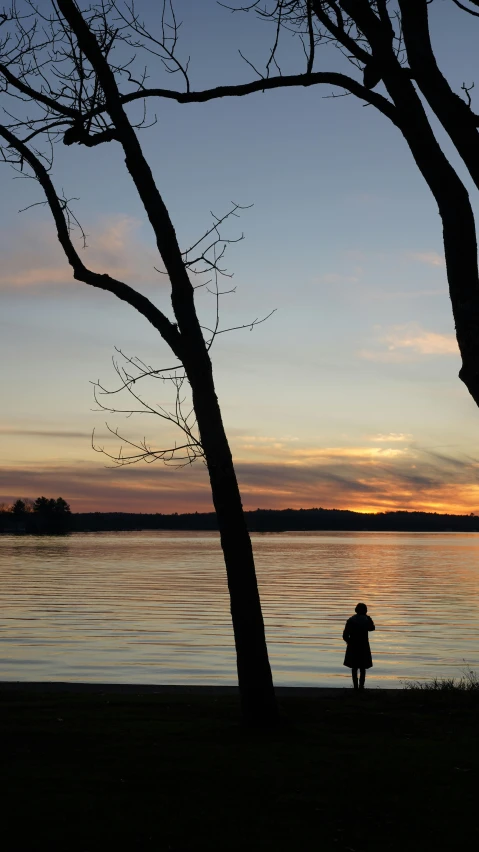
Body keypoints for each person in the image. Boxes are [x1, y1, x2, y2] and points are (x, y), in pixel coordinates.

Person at [343, 603, 375, 690]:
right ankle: (361, 687)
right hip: (363, 646)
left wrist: (349, 643)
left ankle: (356, 687)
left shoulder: (351, 620)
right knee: (362, 668)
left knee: (354, 668)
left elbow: (345, 635)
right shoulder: (366, 620)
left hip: (353, 646)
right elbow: (372, 628)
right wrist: (368, 618)